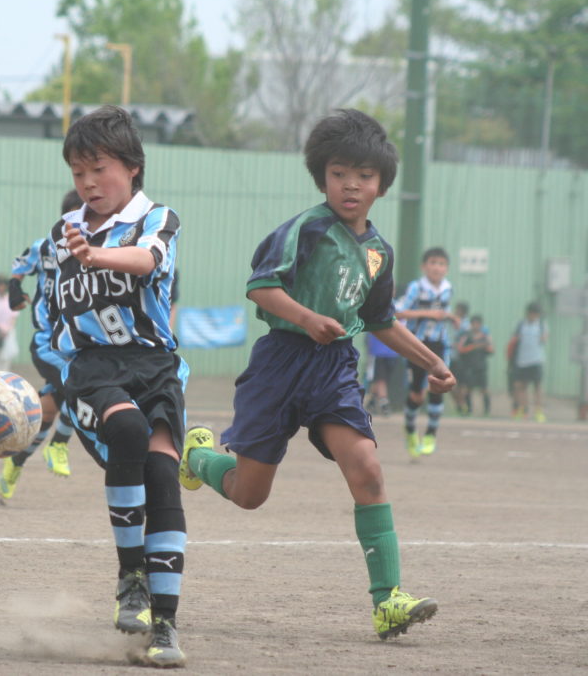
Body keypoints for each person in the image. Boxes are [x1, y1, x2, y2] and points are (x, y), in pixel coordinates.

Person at [177, 109, 453, 643]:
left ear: (381, 185)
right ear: (322, 176)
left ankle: (388, 601)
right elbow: (260, 288)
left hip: (334, 369)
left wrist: (433, 362)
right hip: (280, 362)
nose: (351, 184)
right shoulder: (306, 229)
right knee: (250, 494)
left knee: (367, 468)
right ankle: (198, 456)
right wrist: (306, 318)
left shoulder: (378, 252)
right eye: (339, 172)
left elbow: (380, 321)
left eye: (364, 175)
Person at [48, 105, 187, 667]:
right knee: (127, 429)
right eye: (77, 171)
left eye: (96, 168)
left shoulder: (160, 218)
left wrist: (96, 254)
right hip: (96, 367)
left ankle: (166, 627)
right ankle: (131, 576)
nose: (85, 182)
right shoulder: (67, 230)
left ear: (131, 167)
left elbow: (147, 259)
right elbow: (62, 309)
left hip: (154, 365)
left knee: (162, 475)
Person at [0, 190, 83, 501]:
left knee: (46, 412)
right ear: (63, 218)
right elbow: (19, 266)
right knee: (85, 385)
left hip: (79, 345)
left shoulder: (97, 250)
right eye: (74, 216)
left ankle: (15, 463)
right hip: (48, 342)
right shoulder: (44, 246)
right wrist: (15, 288)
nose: (80, 222)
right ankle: (59, 444)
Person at [395, 247, 460, 458]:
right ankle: (411, 430)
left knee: (439, 385)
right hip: (417, 344)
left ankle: (431, 435)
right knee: (416, 394)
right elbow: (397, 311)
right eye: (433, 263)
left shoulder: (448, 288)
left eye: (441, 264)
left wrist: (451, 318)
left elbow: (441, 312)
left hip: (440, 343)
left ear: (447, 269)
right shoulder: (416, 287)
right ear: (424, 267)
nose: (437, 268)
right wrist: (427, 313)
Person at [510, 301, 548, 422]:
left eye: (535, 314)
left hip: (536, 360)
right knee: (521, 386)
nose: (533, 316)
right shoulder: (521, 325)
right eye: (531, 313)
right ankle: (523, 410)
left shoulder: (541, 325)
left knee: (537, 386)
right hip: (522, 361)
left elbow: (545, 338)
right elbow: (514, 340)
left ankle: (539, 411)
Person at [455, 314, 494, 416]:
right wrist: (473, 346)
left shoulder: (485, 337)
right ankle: (468, 410)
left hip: (481, 367)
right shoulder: (466, 336)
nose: (476, 326)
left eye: (478, 324)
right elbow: (460, 349)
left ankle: (487, 411)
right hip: (469, 367)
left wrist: (484, 346)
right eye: (474, 324)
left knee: (484, 389)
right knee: (468, 389)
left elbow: (491, 350)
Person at [364, 331, 399, 416]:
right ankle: (384, 403)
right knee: (380, 378)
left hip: (393, 351)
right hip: (377, 351)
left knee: (383, 379)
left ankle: (371, 402)